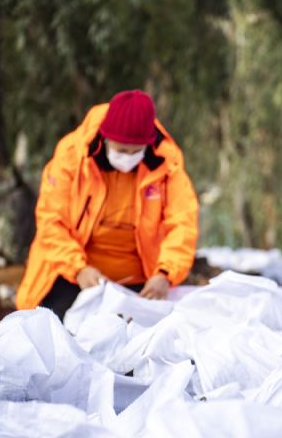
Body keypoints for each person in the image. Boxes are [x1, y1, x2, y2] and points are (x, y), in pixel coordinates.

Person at [15, 90, 199, 319]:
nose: (128, 158)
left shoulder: (167, 166)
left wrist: (165, 273)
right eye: (121, 150)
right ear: (105, 137)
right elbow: (51, 222)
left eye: (136, 151)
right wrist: (79, 269)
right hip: (73, 276)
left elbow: (183, 225)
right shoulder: (71, 158)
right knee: (53, 333)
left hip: (140, 285)